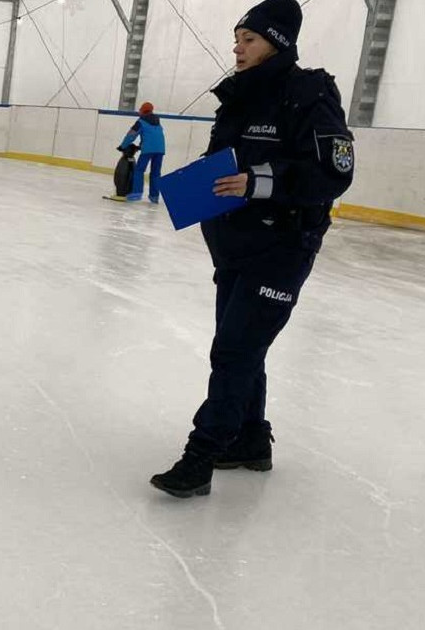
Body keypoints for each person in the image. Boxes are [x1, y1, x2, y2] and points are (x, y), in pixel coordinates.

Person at [150, 0, 354, 498]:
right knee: (245, 348)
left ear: (278, 43)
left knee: (235, 349)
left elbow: (335, 172)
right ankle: (250, 441)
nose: (237, 48)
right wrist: (200, 184)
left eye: (250, 40)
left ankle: (200, 458)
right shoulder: (240, 96)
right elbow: (227, 161)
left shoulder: (310, 94)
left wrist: (258, 182)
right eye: (237, 38)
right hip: (237, 245)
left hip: (284, 246)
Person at [119, 102, 166, 203]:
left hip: (148, 150)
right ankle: (154, 197)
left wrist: (123, 146)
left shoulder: (141, 121)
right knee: (156, 173)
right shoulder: (157, 121)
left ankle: (136, 194)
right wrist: (141, 145)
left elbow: (131, 135)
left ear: (143, 110)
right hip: (160, 150)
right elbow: (154, 135)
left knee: (139, 171)